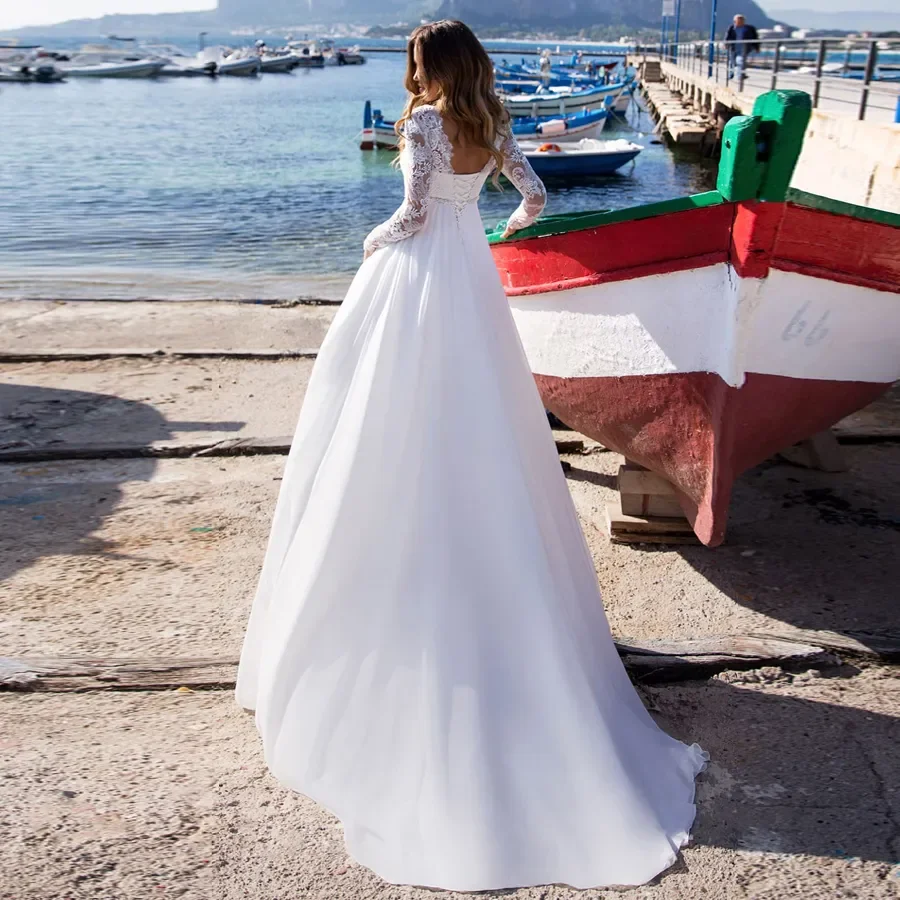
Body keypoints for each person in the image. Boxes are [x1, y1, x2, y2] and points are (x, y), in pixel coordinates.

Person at [236, 18, 707, 893]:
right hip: (472, 282)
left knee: (383, 414)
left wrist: (374, 245)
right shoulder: (491, 121)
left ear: (428, 66)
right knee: (487, 422)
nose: (411, 72)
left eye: (415, 61)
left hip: (415, 282)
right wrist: (488, 238)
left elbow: (410, 214)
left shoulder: (422, 122)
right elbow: (533, 200)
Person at [725, 14, 760, 83]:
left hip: (744, 47)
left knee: (740, 60)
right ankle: (731, 74)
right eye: (738, 20)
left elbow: (755, 38)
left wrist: (756, 47)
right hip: (733, 46)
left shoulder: (749, 28)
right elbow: (727, 37)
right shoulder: (731, 28)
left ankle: (740, 75)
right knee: (732, 61)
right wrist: (726, 44)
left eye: (742, 20)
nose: (740, 22)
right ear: (735, 21)